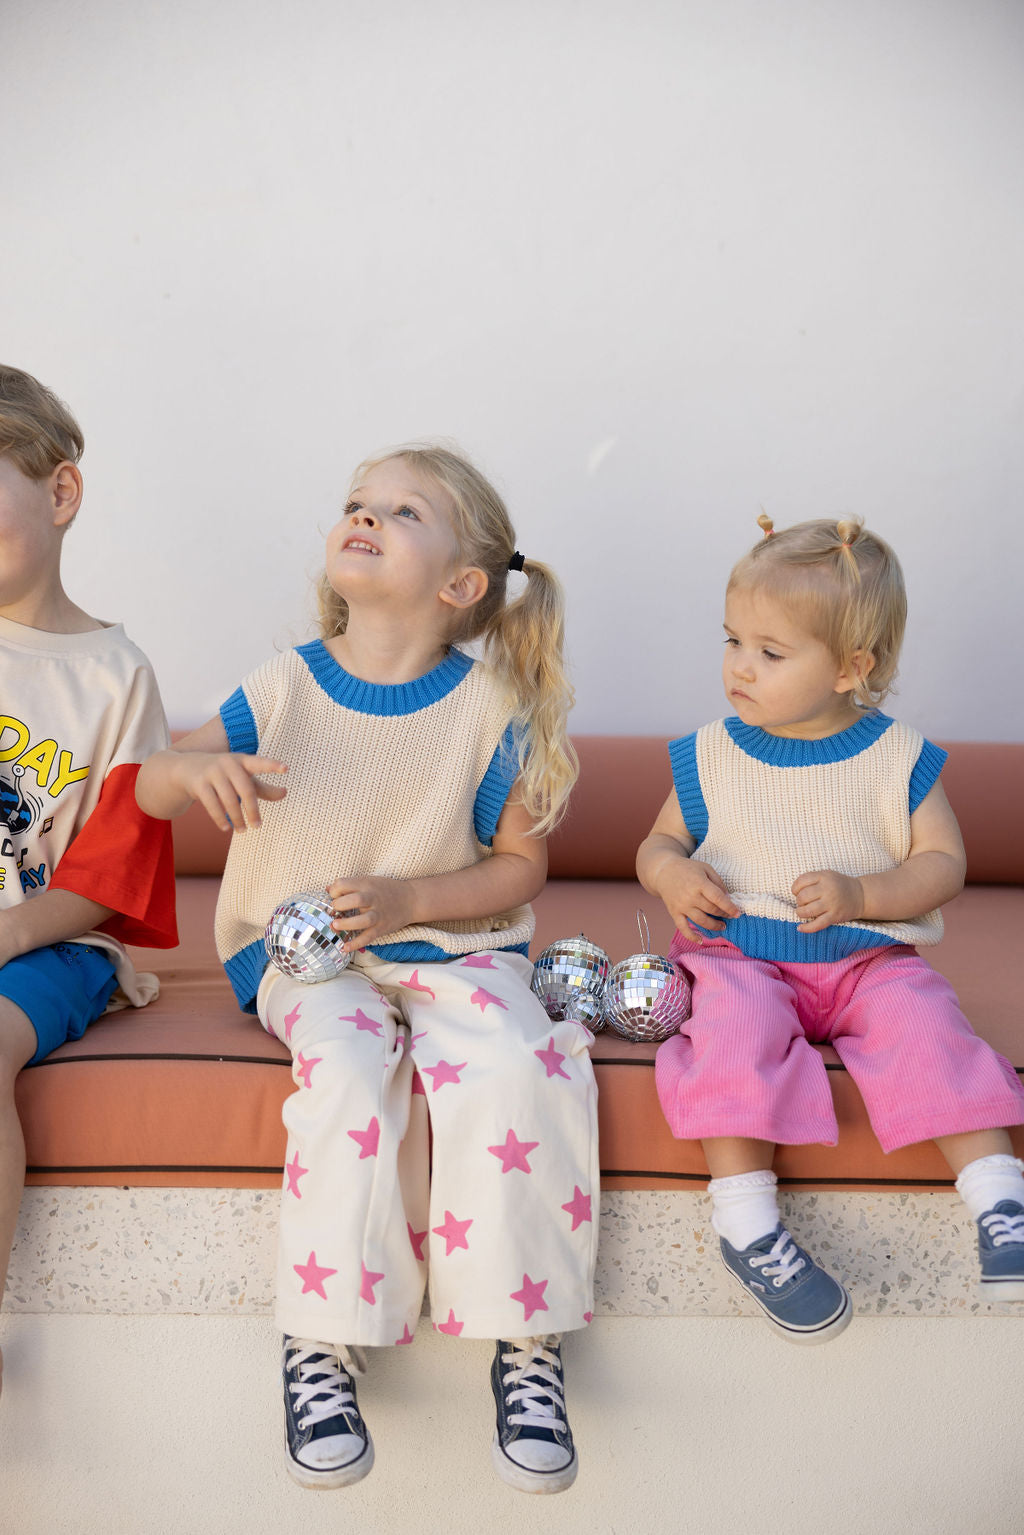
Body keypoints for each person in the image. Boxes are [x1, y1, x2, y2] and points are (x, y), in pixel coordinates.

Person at [136, 444, 597, 1493]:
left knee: (522, 1056)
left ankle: (524, 1340)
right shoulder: (285, 685)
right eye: (356, 502)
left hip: (446, 943)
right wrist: (191, 769)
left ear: (461, 584)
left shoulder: (490, 712)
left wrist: (410, 902)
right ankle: (321, 1336)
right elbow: (154, 785)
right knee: (347, 1068)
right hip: (304, 955)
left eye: (401, 510)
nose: (364, 514)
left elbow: (519, 865)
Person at [637, 513, 1024, 1344]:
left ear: (854, 667)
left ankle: (1001, 1201)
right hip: (741, 951)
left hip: (864, 958)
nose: (741, 666)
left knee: (930, 1025)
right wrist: (673, 871)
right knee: (730, 1037)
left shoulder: (896, 757)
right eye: (734, 639)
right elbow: (659, 841)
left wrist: (865, 891)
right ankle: (746, 1224)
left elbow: (943, 863)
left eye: (771, 653)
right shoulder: (711, 754)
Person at [0, 365, 178, 1393]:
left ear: (59, 493)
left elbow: (110, 875)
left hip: (54, 940)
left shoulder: (114, 674)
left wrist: (12, 933)